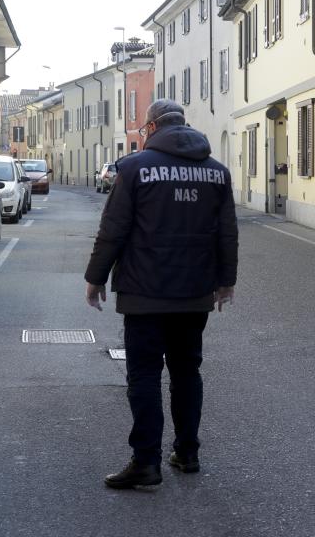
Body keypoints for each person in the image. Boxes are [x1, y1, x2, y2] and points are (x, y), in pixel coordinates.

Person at [84, 99, 238, 489]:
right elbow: (227, 233)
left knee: (145, 375)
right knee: (187, 371)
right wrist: (226, 282)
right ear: (183, 125)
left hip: (144, 292)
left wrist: (95, 277)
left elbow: (113, 229)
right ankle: (187, 452)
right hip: (195, 291)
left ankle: (146, 461)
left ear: (151, 128)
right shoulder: (217, 173)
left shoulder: (133, 168)